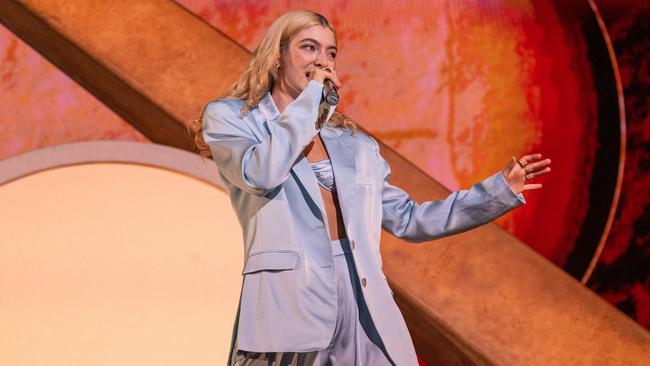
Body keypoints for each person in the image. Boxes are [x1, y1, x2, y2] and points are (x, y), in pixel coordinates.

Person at [189, 9, 551, 366]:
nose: (322, 62)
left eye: (331, 53)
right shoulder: (232, 120)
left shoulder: (356, 145)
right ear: (278, 55)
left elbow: (410, 220)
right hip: (290, 298)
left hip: (363, 296)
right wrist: (311, 102)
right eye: (309, 48)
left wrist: (497, 191)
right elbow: (261, 173)